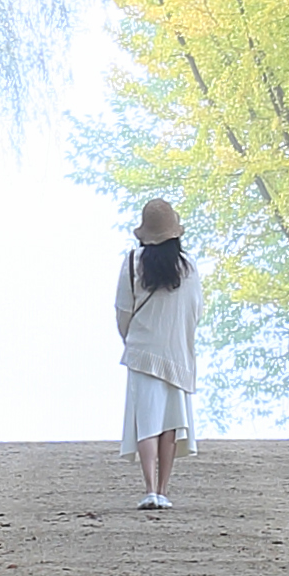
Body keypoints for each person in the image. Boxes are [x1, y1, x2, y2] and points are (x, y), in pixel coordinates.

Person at [114, 199, 196, 510]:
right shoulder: (188, 267)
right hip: (175, 353)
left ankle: (149, 488)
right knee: (170, 423)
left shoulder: (133, 262)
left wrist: (131, 339)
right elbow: (195, 311)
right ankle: (164, 489)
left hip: (142, 352)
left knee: (146, 421)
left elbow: (123, 310)